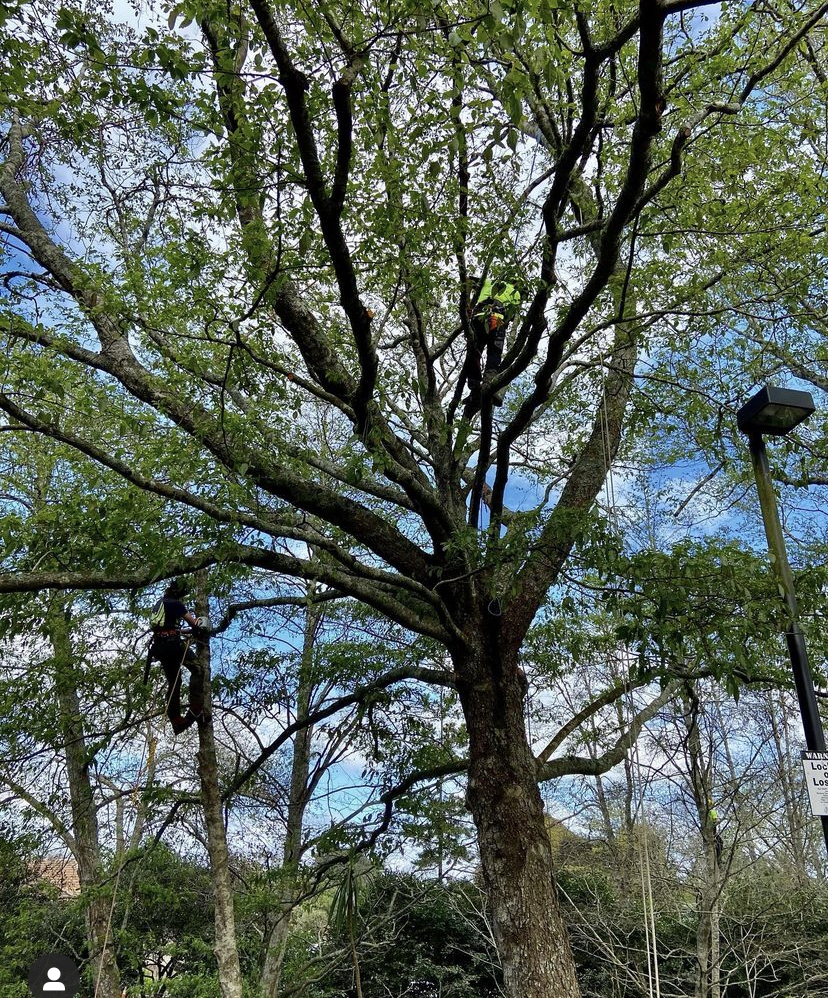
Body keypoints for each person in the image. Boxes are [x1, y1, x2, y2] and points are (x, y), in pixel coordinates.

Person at [145, 579, 208, 733]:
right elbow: (195, 624)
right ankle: (196, 708)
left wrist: (183, 632)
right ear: (178, 592)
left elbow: (168, 628)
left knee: (174, 682)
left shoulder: (160, 603)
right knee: (198, 670)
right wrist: (202, 627)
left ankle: (176, 719)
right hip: (173, 645)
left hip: (160, 646)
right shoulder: (176, 604)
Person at [464, 277, 521, 405]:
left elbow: (467, 280)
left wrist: (468, 304)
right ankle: (487, 385)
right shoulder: (516, 294)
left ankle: (475, 389)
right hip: (498, 321)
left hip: (479, 319)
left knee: (473, 352)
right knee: (494, 353)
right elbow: (510, 316)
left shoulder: (490, 282)